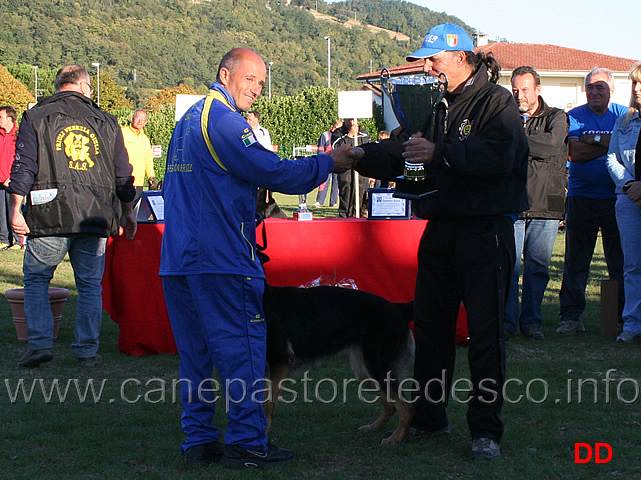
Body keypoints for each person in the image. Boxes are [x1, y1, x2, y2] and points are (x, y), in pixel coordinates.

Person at [159, 48, 360, 468]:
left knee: (195, 357)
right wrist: (327, 163)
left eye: (262, 83)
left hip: (179, 259)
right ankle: (249, 441)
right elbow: (273, 171)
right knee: (244, 353)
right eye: (250, 80)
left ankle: (198, 440)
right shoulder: (227, 122)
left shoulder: (187, 122)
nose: (256, 90)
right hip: (221, 259)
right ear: (224, 74)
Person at [354, 23, 528, 460]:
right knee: (431, 330)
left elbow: (497, 158)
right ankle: (430, 418)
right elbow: (408, 151)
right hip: (440, 230)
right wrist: (361, 155)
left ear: (462, 57)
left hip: (484, 231)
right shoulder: (438, 104)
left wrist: (441, 153)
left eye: (434, 59)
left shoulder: (498, 102)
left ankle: (485, 431)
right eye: (426, 59)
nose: (427, 67)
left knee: (486, 336)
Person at [7, 64, 137, 368]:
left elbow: (23, 166)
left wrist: (15, 208)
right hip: (95, 213)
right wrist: (127, 212)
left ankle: (39, 344)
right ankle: (87, 351)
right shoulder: (106, 121)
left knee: (37, 280)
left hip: (49, 210)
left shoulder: (37, 116)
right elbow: (123, 173)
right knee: (90, 285)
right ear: (84, 87)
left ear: (59, 86)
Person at [556, 68, 627, 335]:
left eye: (600, 88)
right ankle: (571, 317)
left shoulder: (624, 115)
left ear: (611, 90)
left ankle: (620, 318)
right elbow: (573, 153)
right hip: (581, 197)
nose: (594, 92)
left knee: (619, 262)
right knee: (576, 261)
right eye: (590, 88)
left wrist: (593, 140)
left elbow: (627, 148)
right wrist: (610, 143)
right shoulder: (574, 116)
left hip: (617, 197)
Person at [504, 66, 568, 340]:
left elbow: (552, 145)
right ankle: (506, 323)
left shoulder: (557, 117)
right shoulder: (504, 118)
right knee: (509, 268)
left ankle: (531, 323)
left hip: (546, 204)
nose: (519, 95)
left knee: (537, 268)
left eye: (525, 89)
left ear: (538, 89)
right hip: (512, 203)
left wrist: (514, 141)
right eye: (515, 90)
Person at [606, 62, 641, 343]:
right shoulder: (625, 121)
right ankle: (631, 324)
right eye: (634, 84)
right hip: (628, 200)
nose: (637, 89)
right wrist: (630, 186)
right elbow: (612, 158)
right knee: (631, 266)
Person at [335, 118, 370, 217]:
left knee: (361, 193)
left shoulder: (363, 133)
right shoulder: (338, 133)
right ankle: (344, 218)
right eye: (349, 120)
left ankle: (359, 217)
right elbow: (335, 147)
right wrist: (349, 136)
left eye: (353, 120)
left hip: (361, 172)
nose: (351, 122)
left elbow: (368, 150)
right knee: (346, 193)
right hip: (345, 171)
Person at [121, 109, 157, 200]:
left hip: (138, 182)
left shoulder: (145, 139)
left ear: (146, 122)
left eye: (143, 119)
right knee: (120, 212)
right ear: (133, 119)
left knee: (135, 212)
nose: (140, 121)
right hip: (123, 180)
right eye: (138, 118)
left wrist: (151, 176)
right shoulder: (121, 133)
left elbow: (148, 160)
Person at [0, 105, 20, 249]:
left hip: (12, 181)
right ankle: (4, 240)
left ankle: (19, 241)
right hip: (0, 181)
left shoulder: (18, 136)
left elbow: (20, 160)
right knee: (1, 212)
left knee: (14, 210)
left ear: (9, 118)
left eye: (1, 117)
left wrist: (12, 177)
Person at [313, 119, 342, 208]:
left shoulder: (341, 136)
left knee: (336, 182)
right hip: (326, 161)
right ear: (335, 127)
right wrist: (321, 161)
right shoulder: (325, 135)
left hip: (337, 162)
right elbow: (321, 149)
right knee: (324, 181)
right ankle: (319, 201)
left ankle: (333, 202)